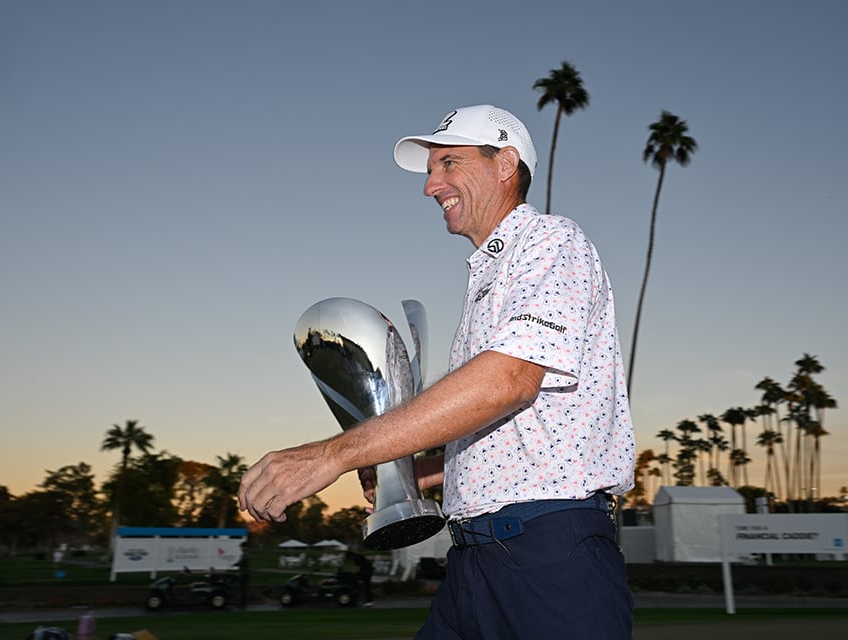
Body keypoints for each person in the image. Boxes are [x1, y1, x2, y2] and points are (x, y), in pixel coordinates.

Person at [239, 104, 635, 638]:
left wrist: (332, 455)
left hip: (548, 551)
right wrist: (411, 473)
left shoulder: (550, 241)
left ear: (505, 163)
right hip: (476, 560)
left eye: (449, 163)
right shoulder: (490, 275)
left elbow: (509, 381)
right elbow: (513, 437)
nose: (431, 186)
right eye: (430, 171)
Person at [233, 540, 250, 608]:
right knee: (243, 589)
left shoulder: (245, 554)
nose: (241, 548)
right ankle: (242, 603)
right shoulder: (245, 554)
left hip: (245, 573)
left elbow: (241, 562)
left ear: (245, 547)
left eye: (242, 547)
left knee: (243, 589)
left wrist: (234, 564)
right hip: (245, 573)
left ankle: (242, 603)